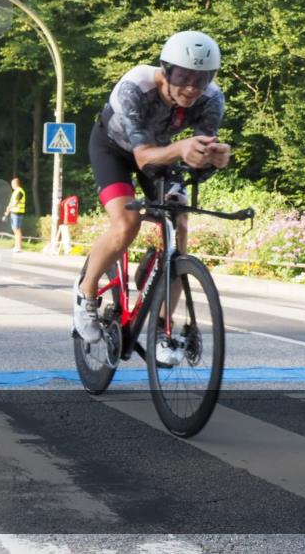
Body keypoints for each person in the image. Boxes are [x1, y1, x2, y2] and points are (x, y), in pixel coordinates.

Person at [74, 31, 232, 363]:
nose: (192, 88)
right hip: (114, 149)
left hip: (162, 155)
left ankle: (162, 324)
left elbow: (196, 164)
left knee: (181, 223)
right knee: (126, 224)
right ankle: (86, 293)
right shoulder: (136, 86)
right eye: (184, 77)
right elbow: (144, 156)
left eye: (201, 79)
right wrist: (182, 149)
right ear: (166, 70)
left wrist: (212, 160)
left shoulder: (212, 99)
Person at [1, 177, 27, 253]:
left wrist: (9, 208)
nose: (11, 185)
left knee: (17, 230)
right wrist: (8, 210)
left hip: (18, 213)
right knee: (15, 230)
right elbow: (11, 202)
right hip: (14, 212)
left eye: (12, 184)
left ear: (16, 183)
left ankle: (19, 247)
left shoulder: (20, 191)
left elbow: (16, 203)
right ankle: (16, 246)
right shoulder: (15, 192)